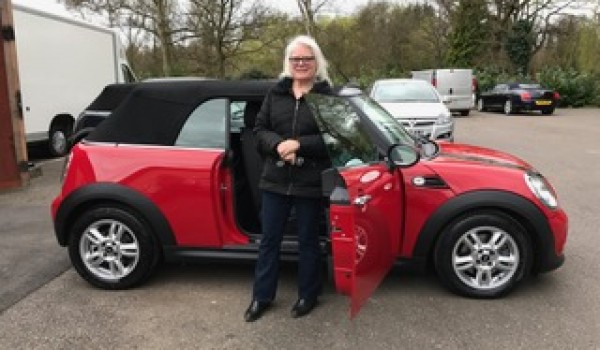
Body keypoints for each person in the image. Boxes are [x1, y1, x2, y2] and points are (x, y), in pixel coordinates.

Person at [244, 35, 333, 322]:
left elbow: (334, 138)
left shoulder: (326, 96)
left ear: (316, 62)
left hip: (310, 180)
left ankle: (308, 295)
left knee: (308, 240)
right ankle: (262, 297)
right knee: (269, 240)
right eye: (296, 59)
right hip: (275, 180)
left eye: (306, 59)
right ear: (288, 63)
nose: (301, 64)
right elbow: (258, 130)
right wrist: (278, 146)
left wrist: (299, 144)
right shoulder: (276, 94)